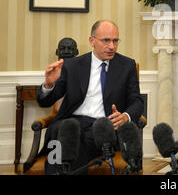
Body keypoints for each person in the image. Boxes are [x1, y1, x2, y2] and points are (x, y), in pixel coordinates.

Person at [37, 20, 144, 174]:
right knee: (65, 130)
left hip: (103, 126)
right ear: (92, 41)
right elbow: (44, 101)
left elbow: (137, 101)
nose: (112, 46)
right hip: (72, 122)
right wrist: (48, 85)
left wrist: (125, 116)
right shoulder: (73, 65)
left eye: (115, 40)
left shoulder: (127, 66)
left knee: (69, 139)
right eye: (106, 40)